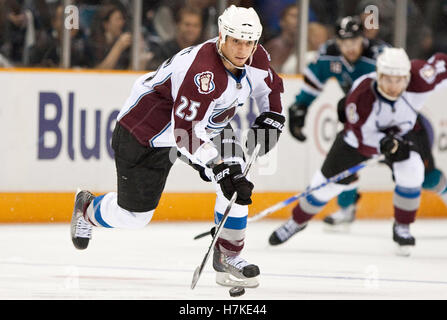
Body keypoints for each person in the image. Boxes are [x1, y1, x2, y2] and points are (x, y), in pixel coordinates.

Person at [70, 5, 285, 288]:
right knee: (134, 217)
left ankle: (229, 255)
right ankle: (87, 208)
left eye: (249, 42)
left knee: (236, 180)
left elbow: (268, 87)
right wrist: (217, 166)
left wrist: (272, 116)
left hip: (206, 127)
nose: (242, 49)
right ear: (222, 36)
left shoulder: (255, 57)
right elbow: (183, 132)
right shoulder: (203, 73)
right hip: (145, 134)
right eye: (236, 41)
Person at [270, 47, 447, 255]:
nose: (393, 86)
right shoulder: (361, 95)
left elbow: (442, 62)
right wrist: (386, 144)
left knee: (414, 170)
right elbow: (365, 139)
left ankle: (402, 227)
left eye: (399, 80)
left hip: (404, 133)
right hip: (356, 141)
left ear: (407, 76)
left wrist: (396, 144)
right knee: (324, 186)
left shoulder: (421, 77)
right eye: (387, 79)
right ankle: (296, 221)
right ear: (378, 76)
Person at [288, 16, 388, 228]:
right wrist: (300, 107)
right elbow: (313, 83)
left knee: (412, 166)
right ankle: (347, 208)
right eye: (344, 43)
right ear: (337, 41)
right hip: (358, 119)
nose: (349, 48)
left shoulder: (381, 56)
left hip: (391, 117)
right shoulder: (329, 54)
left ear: (364, 38)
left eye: (354, 41)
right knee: (345, 161)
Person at [146, 6, 203, 71]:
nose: (191, 29)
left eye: (196, 25)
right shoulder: (164, 50)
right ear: (178, 25)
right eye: (187, 25)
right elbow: (152, 72)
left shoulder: (204, 51)